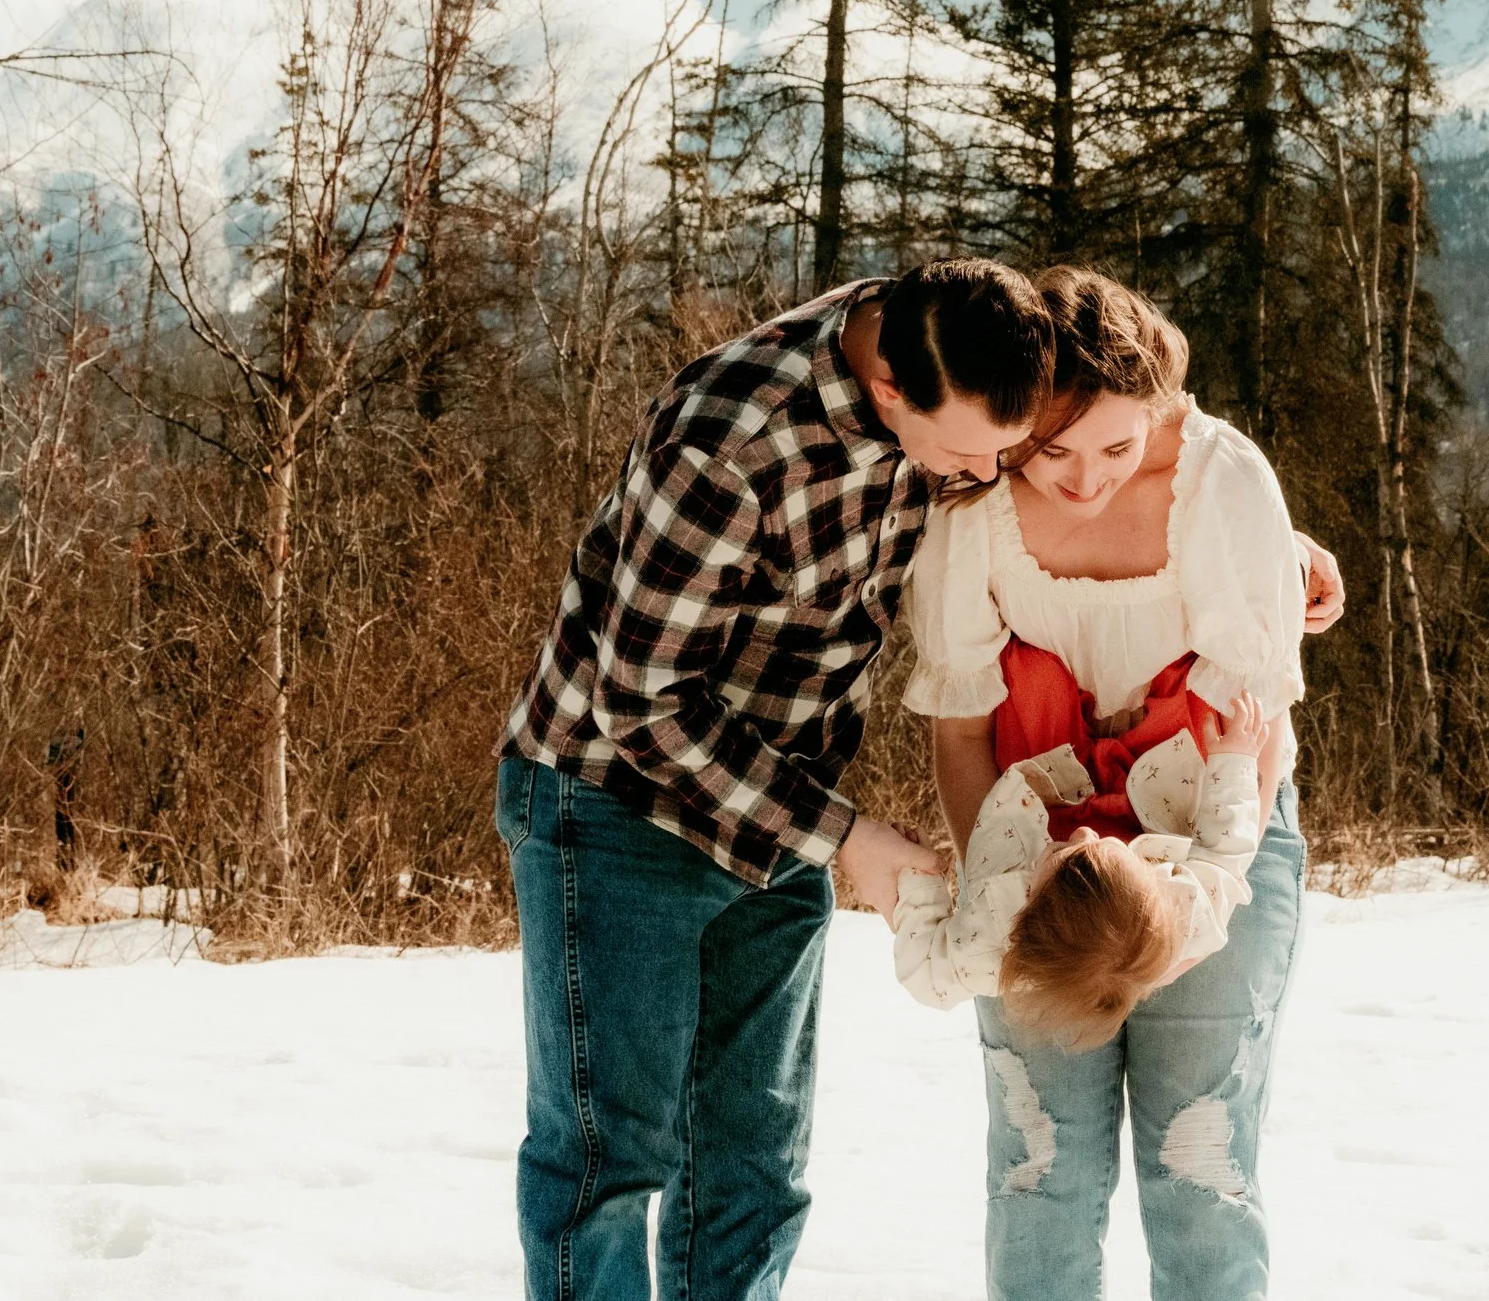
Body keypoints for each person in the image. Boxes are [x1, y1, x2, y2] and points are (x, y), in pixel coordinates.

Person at [493, 258, 1345, 1301]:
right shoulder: (730, 442)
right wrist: (854, 840)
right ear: (893, 395)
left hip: (780, 802)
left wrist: (1270, 545)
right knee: (607, 1161)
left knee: (752, 1169)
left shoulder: (959, 348)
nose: (992, 479)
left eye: (1008, 452)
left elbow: (1142, 424)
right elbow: (640, 704)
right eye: (986, 457)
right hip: (616, 802)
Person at [904, 266, 1312, 1301]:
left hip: (1212, 821)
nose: (1085, 480)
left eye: (1118, 448)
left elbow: (1248, 725)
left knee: (1198, 1162)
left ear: (1165, 413)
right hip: (1032, 845)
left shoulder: (1221, 483)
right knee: (1040, 1164)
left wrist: (1195, 882)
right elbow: (961, 728)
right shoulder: (976, 502)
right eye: (1053, 451)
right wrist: (1006, 875)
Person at [889, 689, 1276, 1047]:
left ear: (1026, 907)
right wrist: (1236, 760)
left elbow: (925, 976)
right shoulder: (1188, 910)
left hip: (1024, 828)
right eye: (1107, 848)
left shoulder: (987, 942)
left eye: (1060, 854)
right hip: (1159, 824)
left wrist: (921, 881)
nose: (1084, 833)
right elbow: (1226, 855)